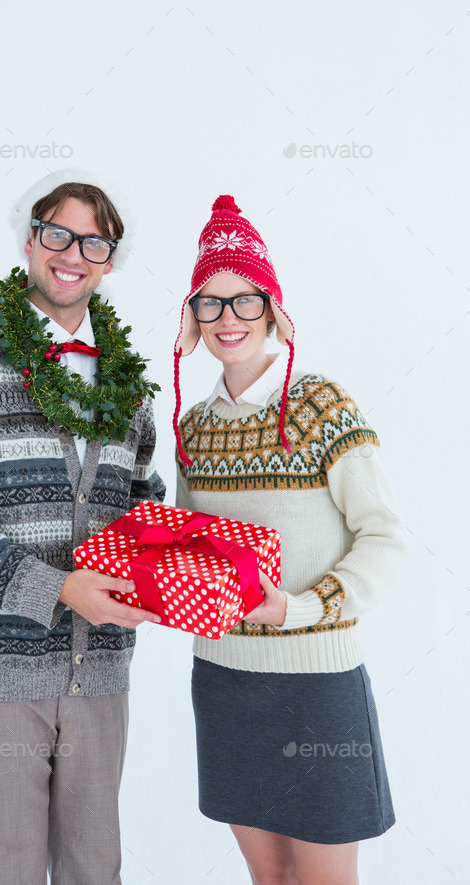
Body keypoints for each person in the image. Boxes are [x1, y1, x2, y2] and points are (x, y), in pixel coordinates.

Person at [0, 169, 166, 885]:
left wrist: (160, 579)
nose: (74, 253)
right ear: (30, 239)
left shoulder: (126, 381)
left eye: (95, 242)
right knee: (7, 869)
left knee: (95, 870)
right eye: (60, 233)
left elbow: (144, 501)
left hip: (101, 664)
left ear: (111, 259)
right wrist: (60, 589)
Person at [173, 195, 408, 885]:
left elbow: (386, 537)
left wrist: (298, 608)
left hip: (317, 683)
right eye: (209, 304)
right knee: (269, 877)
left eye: (244, 301)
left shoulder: (320, 404)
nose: (228, 320)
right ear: (191, 320)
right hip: (223, 681)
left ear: (273, 309)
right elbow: (197, 551)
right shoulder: (193, 427)